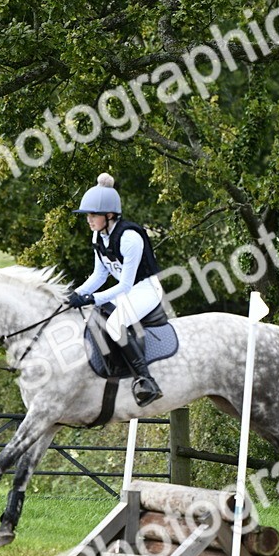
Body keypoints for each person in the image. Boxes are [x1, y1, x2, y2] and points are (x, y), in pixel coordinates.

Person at [67, 173, 165, 406]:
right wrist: (75, 294)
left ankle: (146, 381)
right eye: (88, 214)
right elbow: (99, 275)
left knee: (113, 323)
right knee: (94, 319)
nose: (89, 219)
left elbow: (125, 285)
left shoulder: (130, 237)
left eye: (93, 214)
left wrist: (91, 298)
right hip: (129, 291)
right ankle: (115, 372)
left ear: (109, 215)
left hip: (146, 289)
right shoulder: (98, 236)